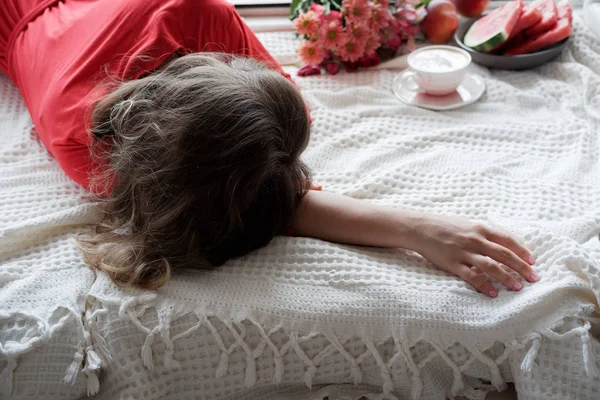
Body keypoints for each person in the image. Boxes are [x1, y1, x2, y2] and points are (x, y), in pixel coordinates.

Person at [0, 0, 540, 297]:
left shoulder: (202, 15)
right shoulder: (87, 135)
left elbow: (258, 186)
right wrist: (413, 228)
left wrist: (419, 231)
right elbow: (246, 202)